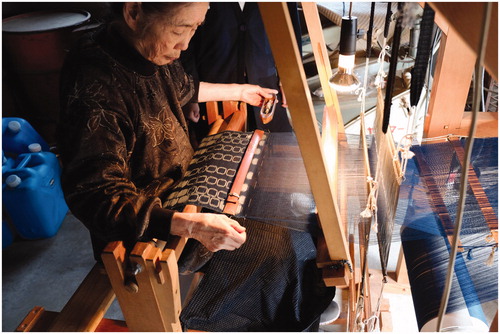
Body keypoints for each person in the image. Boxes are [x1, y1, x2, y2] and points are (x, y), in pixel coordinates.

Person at [57, 2, 277, 258]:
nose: (185, 44)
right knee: (278, 250)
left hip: (189, 194)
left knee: (284, 226)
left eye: (195, 28)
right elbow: (96, 197)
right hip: (154, 233)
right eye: (179, 30)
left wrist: (240, 91)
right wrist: (191, 225)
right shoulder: (94, 87)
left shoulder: (146, 47)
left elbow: (181, 87)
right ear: (134, 13)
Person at [181, 2, 302, 140]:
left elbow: (290, 27)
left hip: (265, 79)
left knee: (276, 145)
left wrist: (290, 78)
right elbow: (186, 42)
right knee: (220, 150)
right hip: (213, 88)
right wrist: (190, 94)